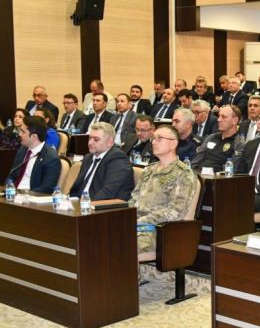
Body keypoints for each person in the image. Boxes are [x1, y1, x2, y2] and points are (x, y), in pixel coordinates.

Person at [130, 125, 196, 255]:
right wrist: (125, 217)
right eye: (153, 138)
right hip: (135, 224)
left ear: (173, 143)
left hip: (156, 230)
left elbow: (177, 211)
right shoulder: (149, 169)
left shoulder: (183, 173)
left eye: (159, 138)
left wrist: (144, 220)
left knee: (120, 244)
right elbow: (134, 199)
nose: (154, 142)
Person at [69, 122, 135, 201]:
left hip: (103, 206)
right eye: (90, 138)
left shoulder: (118, 159)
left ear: (110, 142)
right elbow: (77, 189)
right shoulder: (88, 157)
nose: (90, 143)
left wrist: (85, 205)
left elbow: (108, 193)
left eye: (96, 139)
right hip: (80, 203)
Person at [7, 116, 61, 193]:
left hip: (30, 196)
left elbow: (46, 188)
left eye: (23, 132)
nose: (19, 134)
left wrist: (24, 195)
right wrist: (9, 188)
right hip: (13, 194)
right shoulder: (22, 149)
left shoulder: (51, 158)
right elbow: (11, 175)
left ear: (34, 136)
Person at [191, 105, 243, 172]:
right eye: (219, 116)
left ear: (234, 120)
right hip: (199, 174)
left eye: (223, 117)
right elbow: (196, 161)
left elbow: (231, 171)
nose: (218, 120)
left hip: (217, 177)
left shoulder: (239, 143)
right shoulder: (211, 137)